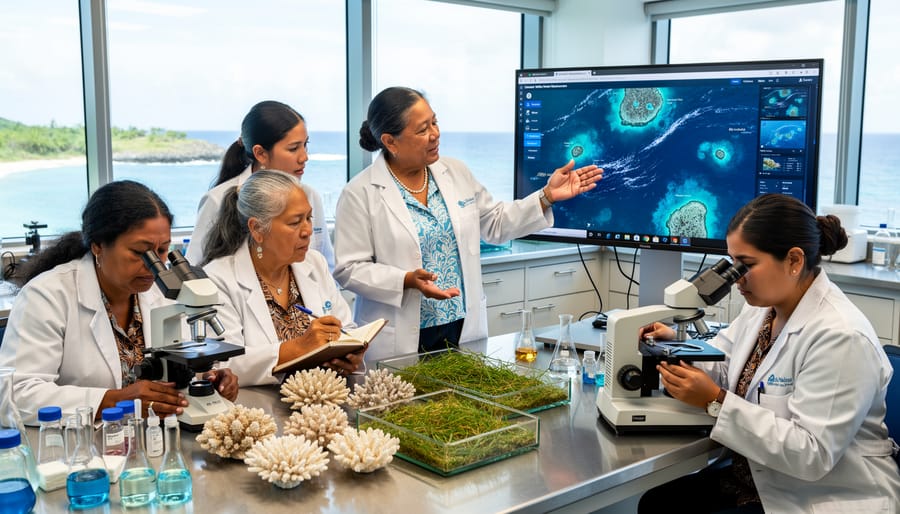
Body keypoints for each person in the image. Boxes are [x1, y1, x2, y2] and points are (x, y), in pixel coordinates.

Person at [637, 194, 900, 513]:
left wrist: (715, 401)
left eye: (746, 265)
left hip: (821, 495)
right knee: (657, 503)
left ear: (794, 261)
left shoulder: (841, 336)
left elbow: (812, 455)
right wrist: (676, 346)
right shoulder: (763, 309)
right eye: (732, 263)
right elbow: (725, 366)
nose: (736, 278)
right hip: (756, 479)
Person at [333, 86, 603, 361]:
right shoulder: (360, 193)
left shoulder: (455, 172)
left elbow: (495, 223)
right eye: (423, 129)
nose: (435, 134)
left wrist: (547, 196)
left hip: (461, 326)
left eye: (435, 122)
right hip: (400, 334)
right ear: (390, 142)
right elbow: (349, 269)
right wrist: (406, 280)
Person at [0, 181, 238, 425]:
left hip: (153, 434)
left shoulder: (160, 292)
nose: (153, 265)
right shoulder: (47, 295)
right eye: (140, 252)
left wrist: (205, 379)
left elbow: (177, 360)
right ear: (98, 245)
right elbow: (16, 394)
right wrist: (113, 401)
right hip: (82, 440)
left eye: (163, 251)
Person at [202, 169, 364, 386]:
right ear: (257, 228)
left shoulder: (314, 263)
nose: (307, 231)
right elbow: (224, 362)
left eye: (309, 218)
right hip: (257, 404)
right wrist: (298, 348)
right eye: (295, 222)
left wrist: (350, 355)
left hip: (322, 398)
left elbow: (345, 328)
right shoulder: (218, 279)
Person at [186, 100, 335, 269]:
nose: (304, 157)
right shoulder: (218, 200)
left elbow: (326, 265)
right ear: (261, 153)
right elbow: (194, 270)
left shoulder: (309, 195)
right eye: (293, 148)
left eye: (305, 145)